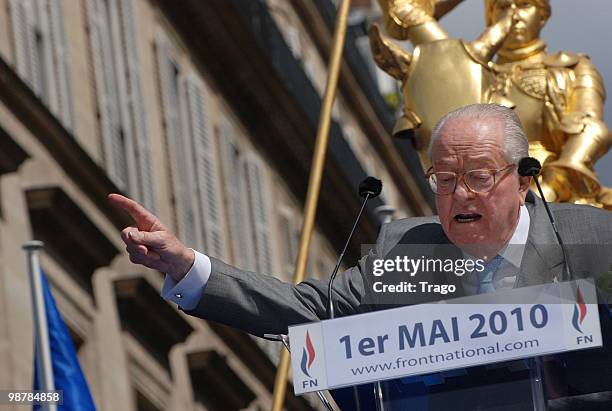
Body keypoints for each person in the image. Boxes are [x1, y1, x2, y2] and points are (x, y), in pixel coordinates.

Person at [110, 104, 612, 407]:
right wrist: (185, 264)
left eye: (479, 178)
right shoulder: (412, 249)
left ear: (524, 181)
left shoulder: (593, 239)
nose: (460, 196)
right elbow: (310, 310)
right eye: (444, 180)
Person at [372, 0, 612, 207]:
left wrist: (545, 191)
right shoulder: (469, 74)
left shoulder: (573, 68)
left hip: (552, 190)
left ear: (542, 15)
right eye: (503, 6)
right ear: (490, 17)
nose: (513, 14)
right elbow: (405, 10)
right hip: (483, 191)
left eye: (525, 5)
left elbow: (590, 130)